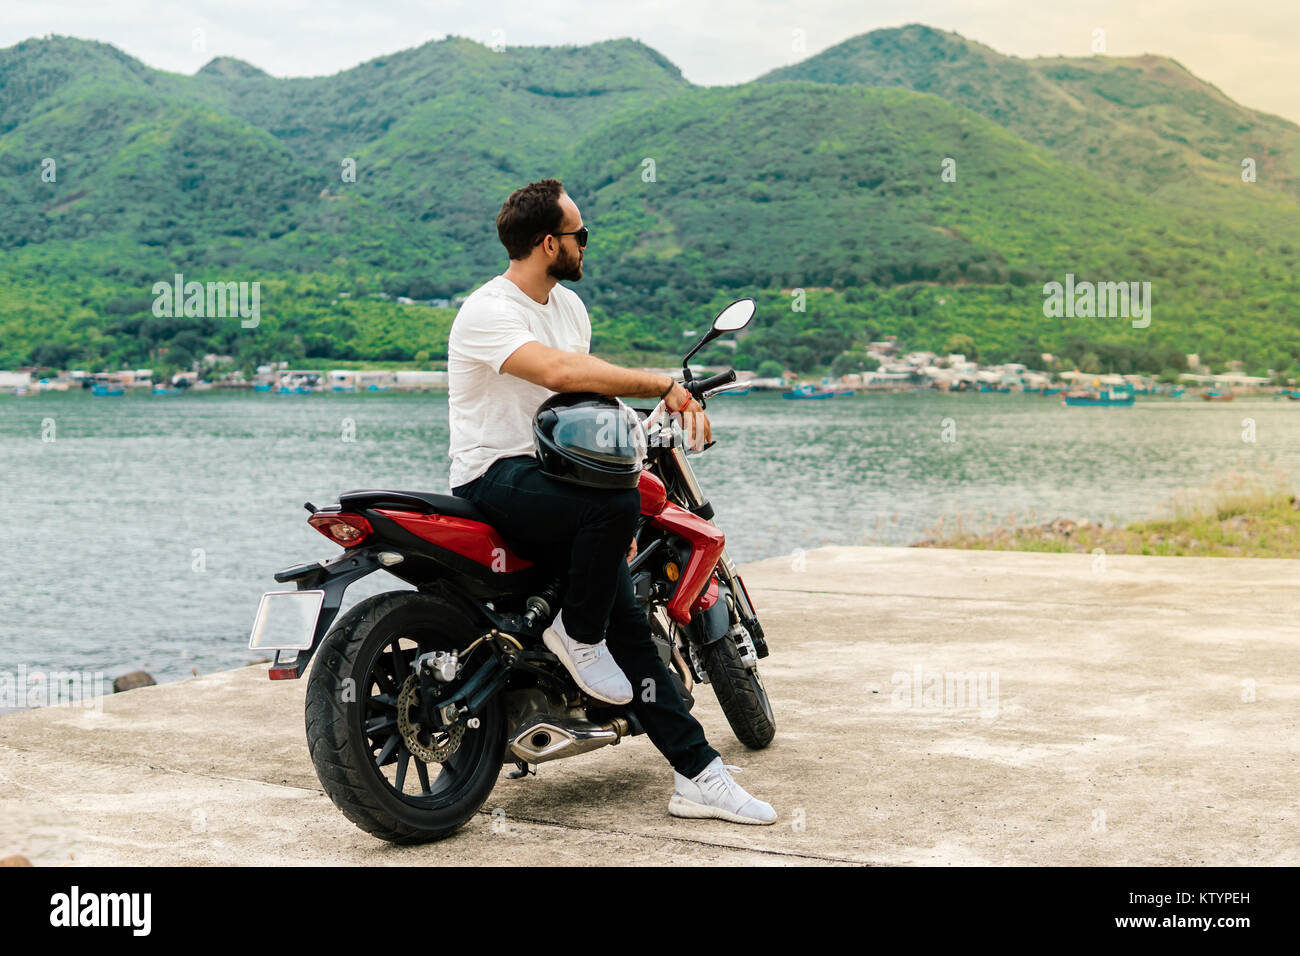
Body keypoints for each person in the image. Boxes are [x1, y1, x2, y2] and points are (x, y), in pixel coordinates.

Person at [446, 178, 776, 825]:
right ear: (548, 243)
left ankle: (698, 777)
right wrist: (664, 380)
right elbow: (560, 375)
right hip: (497, 476)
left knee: (638, 645)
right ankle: (576, 628)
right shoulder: (490, 310)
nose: (586, 245)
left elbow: (582, 400)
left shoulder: (568, 308)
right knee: (618, 505)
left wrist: (663, 413)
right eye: (580, 235)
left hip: (562, 480)